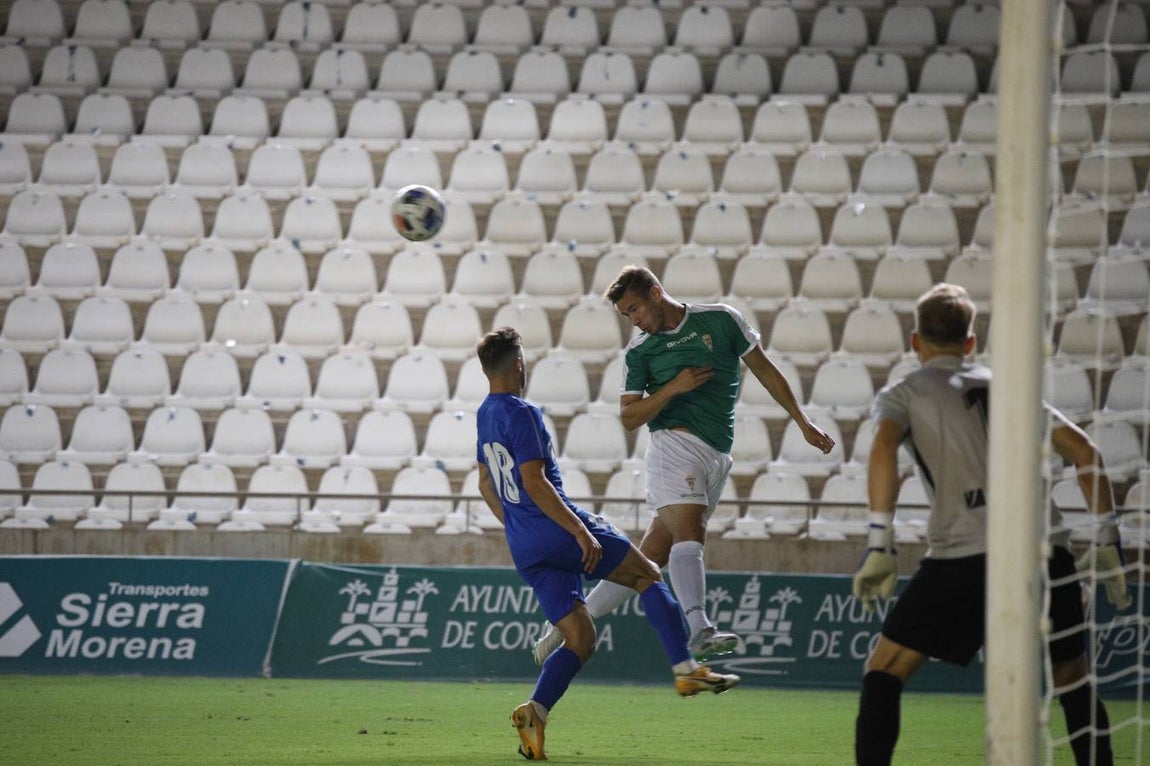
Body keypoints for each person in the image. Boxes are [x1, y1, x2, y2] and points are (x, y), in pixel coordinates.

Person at [851, 283, 1131, 766]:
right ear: (971, 342)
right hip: (1046, 551)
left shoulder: (904, 393)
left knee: (885, 670)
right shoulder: (1013, 390)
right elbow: (1086, 452)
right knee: (1072, 677)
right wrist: (1106, 536)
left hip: (965, 554)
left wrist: (881, 541)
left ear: (915, 342)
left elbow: (882, 448)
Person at [534, 265, 835, 664]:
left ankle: (569, 621)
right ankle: (701, 630)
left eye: (636, 309)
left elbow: (764, 369)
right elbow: (628, 418)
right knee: (691, 530)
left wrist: (802, 420)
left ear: (656, 293)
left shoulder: (722, 320)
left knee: (647, 561)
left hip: (716, 455)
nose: (634, 320)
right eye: (627, 315)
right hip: (672, 447)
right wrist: (674, 388)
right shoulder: (641, 352)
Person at [475, 327, 740, 762]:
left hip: (524, 545)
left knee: (580, 637)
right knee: (647, 575)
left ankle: (535, 713)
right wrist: (578, 531)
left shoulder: (485, 414)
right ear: (519, 366)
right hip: (559, 528)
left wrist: (518, 525)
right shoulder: (523, 412)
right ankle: (686, 669)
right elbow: (534, 480)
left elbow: (486, 483)